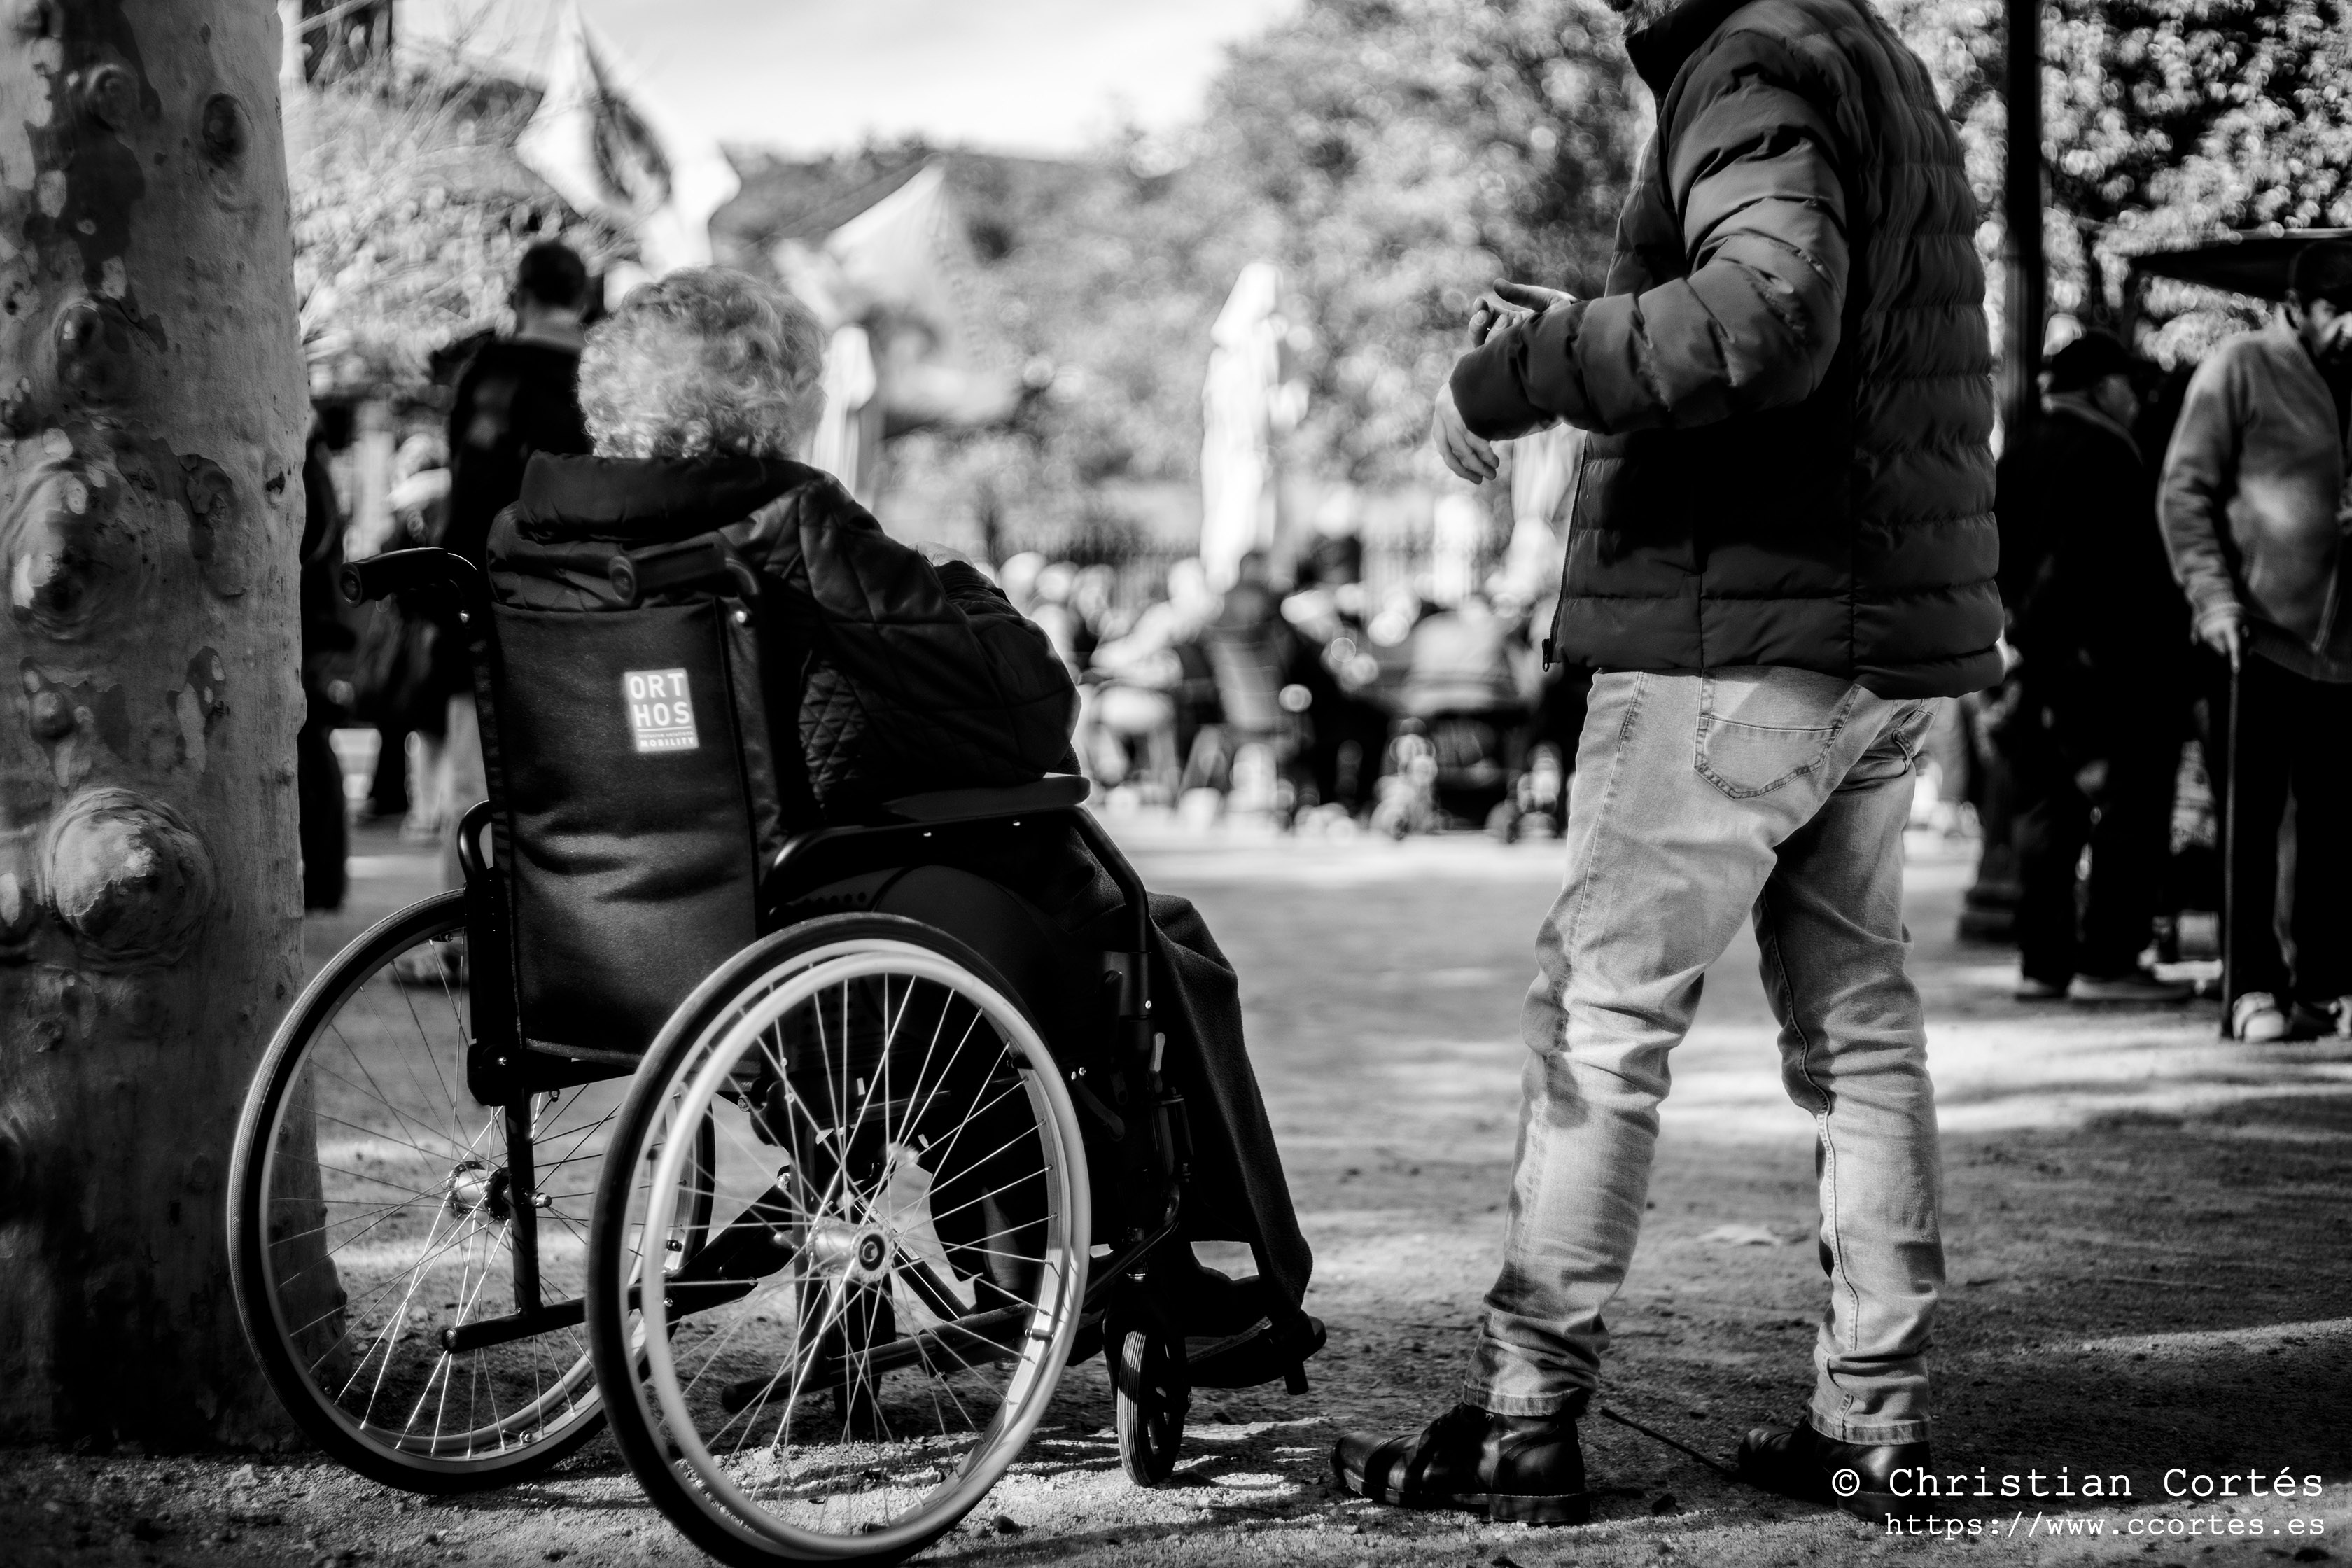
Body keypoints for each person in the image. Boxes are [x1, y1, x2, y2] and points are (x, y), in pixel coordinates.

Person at [1338, 0, 2002, 1527]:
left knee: (1605, 1024)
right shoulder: (1868, 55)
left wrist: (1513, 376)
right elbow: (1795, 326)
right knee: (1861, 1028)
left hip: (1737, 640)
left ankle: (1524, 1419)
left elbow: (1765, 320)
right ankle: (1872, 1425)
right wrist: (1601, 315)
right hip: (1871, 642)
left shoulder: (1753, 58)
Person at [487, 267, 1321, 1362]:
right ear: (767, 401)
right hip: (794, 912)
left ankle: (1055, 1262)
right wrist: (969, 590)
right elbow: (1019, 699)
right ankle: (1128, 1270)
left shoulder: (530, 540)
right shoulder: (785, 517)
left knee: (1008, 928)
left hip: (596, 935)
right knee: (1122, 929)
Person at [2158, 239, 2352, 1042]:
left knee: (2335, 823)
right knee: (2250, 817)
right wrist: (2213, 599)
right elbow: (2186, 490)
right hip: (2255, 635)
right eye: (2340, 312)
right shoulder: (2239, 367)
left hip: (2343, 644)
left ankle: (2322, 985)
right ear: (2301, 307)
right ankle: (2250, 989)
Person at [1999, 332, 2194, 1003]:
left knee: (2047, 812)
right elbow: (2092, 565)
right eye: (2129, 385)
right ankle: (2109, 959)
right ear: (2104, 386)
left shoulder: (2021, 448)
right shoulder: (2107, 452)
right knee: (2132, 803)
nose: (2136, 399)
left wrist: (2022, 639)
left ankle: (2044, 963)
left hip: (2040, 661)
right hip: (2110, 666)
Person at [424, 241, 594, 890]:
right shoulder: (607, 378)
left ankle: (460, 933)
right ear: (582, 299)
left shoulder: (495, 373)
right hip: (588, 603)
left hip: (489, 595)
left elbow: (469, 492)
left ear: (517, 296)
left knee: (476, 775)